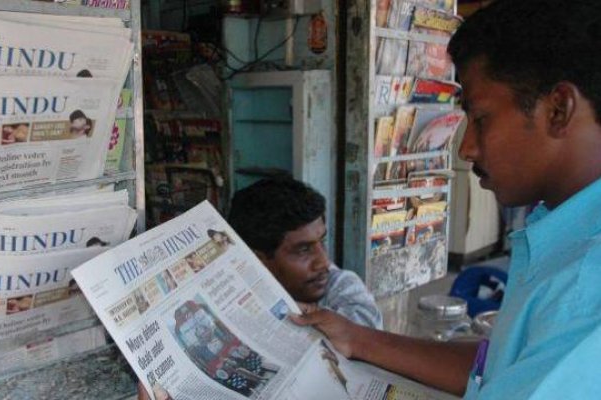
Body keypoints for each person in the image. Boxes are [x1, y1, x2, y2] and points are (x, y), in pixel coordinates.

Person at [293, 0, 601, 398]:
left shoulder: (585, 285)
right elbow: (503, 365)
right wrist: (358, 338)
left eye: (481, 118)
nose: (466, 149)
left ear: (558, 109)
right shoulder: (565, 230)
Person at [228, 176, 382, 330]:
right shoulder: (232, 295)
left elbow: (366, 335)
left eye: (322, 241)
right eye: (303, 250)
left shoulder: (340, 285)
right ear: (258, 260)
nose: (324, 262)